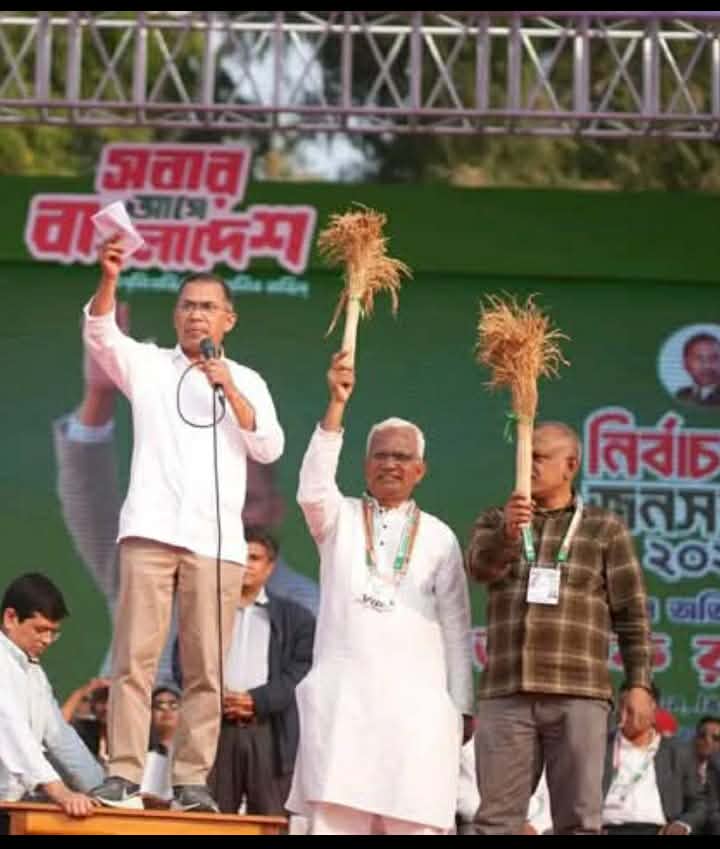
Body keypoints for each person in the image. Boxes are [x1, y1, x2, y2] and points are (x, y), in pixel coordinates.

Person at [85, 239, 285, 813]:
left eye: (208, 307)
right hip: (150, 530)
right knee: (135, 659)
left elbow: (269, 447)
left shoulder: (246, 379)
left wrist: (229, 388)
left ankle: (193, 780)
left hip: (215, 543)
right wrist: (109, 278)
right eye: (188, 305)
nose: (197, 314)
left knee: (206, 668)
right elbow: (100, 335)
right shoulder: (149, 365)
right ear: (176, 316)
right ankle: (123, 772)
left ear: (229, 319)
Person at [287, 351, 474, 836]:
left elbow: (457, 627)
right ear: (366, 464)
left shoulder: (440, 536)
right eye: (381, 455)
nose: (391, 464)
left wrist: (462, 703)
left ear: (421, 470)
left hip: (416, 710)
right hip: (344, 702)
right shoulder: (339, 518)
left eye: (402, 457)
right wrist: (336, 406)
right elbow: (311, 488)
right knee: (334, 821)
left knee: (415, 820)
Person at [466, 421, 654, 835]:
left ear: (570, 465)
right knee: (495, 822)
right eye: (524, 457)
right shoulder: (497, 520)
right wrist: (508, 534)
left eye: (539, 457)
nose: (528, 466)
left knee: (579, 822)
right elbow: (479, 567)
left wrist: (639, 683)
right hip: (507, 692)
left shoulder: (604, 528)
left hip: (578, 692)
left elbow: (632, 613)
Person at [209, 528, 315, 815]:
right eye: (239, 557)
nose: (245, 565)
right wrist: (218, 699)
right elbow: (185, 664)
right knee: (211, 821)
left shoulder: (296, 619)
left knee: (271, 821)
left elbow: (301, 672)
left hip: (269, 731)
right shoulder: (207, 613)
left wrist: (258, 700)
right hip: (217, 731)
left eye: (254, 558)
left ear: (270, 567)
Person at [0, 573, 103, 817]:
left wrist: (103, 790)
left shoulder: (34, 672)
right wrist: (60, 792)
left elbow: (61, 738)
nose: (46, 640)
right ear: (10, 618)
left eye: (53, 632)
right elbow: (11, 728)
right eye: (40, 630)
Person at [601, 683, 706, 835]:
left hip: (659, 830)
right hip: (606, 829)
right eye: (620, 709)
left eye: (630, 710)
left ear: (652, 709)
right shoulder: (601, 747)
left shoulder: (677, 752)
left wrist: (682, 825)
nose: (622, 717)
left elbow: (698, 803)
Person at [676, 333, 720, 406]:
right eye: (699, 358)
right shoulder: (680, 395)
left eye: (714, 358)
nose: (707, 365)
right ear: (686, 364)